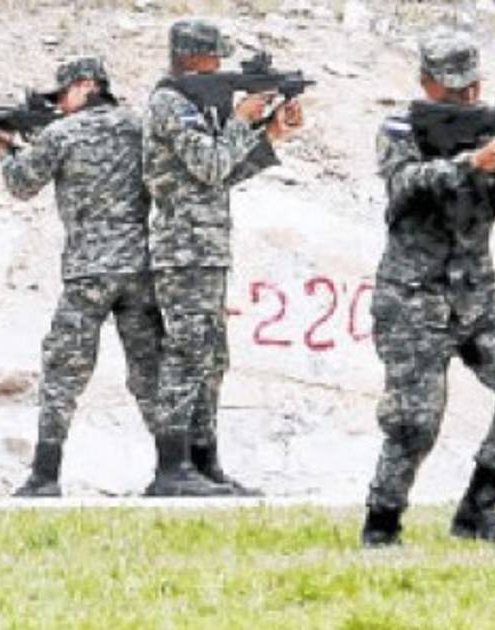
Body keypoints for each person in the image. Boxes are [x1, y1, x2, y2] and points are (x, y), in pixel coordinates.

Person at [360, 30, 495, 547]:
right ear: (426, 82)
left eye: (471, 85)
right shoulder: (401, 128)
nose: (466, 96)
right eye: (453, 88)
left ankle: (479, 510)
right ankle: (381, 526)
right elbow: (403, 184)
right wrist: (470, 163)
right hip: (413, 296)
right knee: (415, 420)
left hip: (477, 296)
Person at [0, 57, 163, 497]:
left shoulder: (61, 133)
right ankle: (173, 469)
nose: (59, 105)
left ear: (85, 86)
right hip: (140, 268)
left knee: (63, 373)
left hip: (88, 272)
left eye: (63, 95)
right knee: (150, 372)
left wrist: (5, 150)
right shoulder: (141, 126)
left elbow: (22, 184)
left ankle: (45, 476)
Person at [142, 19, 303, 496]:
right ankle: (171, 469)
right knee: (186, 353)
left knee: (211, 358)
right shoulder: (170, 103)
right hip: (182, 250)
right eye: (214, 57)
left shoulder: (193, 107)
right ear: (193, 57)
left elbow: (223, 176)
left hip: (205, 249)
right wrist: (240, 119)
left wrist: (269, 133)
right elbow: (211, 166)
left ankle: (204, 463)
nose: (219, 67)